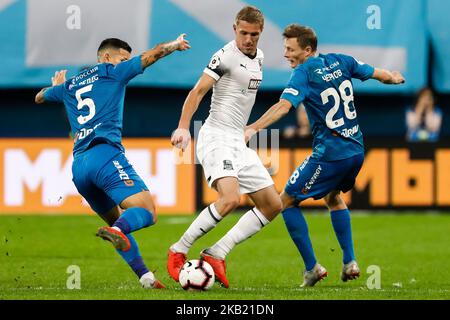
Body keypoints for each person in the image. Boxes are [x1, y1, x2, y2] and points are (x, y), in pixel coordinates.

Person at [245, 24, 405, 287]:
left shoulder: (303, 73)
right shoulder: (342, 61)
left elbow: (284, 106)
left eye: (290, 49)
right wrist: (394, 77)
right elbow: (380, 75)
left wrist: (252, 128)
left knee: (285, 201)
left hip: (331, 153)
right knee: (333, 197)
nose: (285, 54)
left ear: (307, 50)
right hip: (356, 150)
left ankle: (312, 268)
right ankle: (350, 261)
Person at [35, 35, 190, 288]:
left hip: (79, 167)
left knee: (118, 223)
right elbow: (154, 54)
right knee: (147, 212)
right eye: (122, 58)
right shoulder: (112, 72)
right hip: (104, 155)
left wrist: (58, 87)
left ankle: (146, 278)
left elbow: (39, 97)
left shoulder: (70, 85)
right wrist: (175, 45)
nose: (125, 63)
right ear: (107, 57)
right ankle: (119, 234)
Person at [167, 6, 282, 288]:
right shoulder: (226, 56)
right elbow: (198, 91)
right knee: (230, 199)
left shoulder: (260, 57)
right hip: (215, 136)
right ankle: (178, 250)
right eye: (243, 33)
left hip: (237, 140)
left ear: (261, 33)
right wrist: (183, 126)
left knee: (273, 204)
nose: (248, 39)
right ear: (234, 30)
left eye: (254, 34)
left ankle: (216, 253)